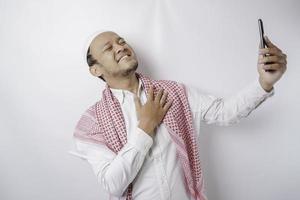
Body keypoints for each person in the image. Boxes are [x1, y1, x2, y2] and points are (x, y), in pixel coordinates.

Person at [70, 31, 287, 200]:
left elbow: (225, 112)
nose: (120, 47)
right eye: (109, 48)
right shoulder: (92, 124)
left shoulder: (172, 93)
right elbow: (114, 185)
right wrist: (145, 126)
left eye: (121, 41)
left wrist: (265, 82)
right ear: (96, 70)